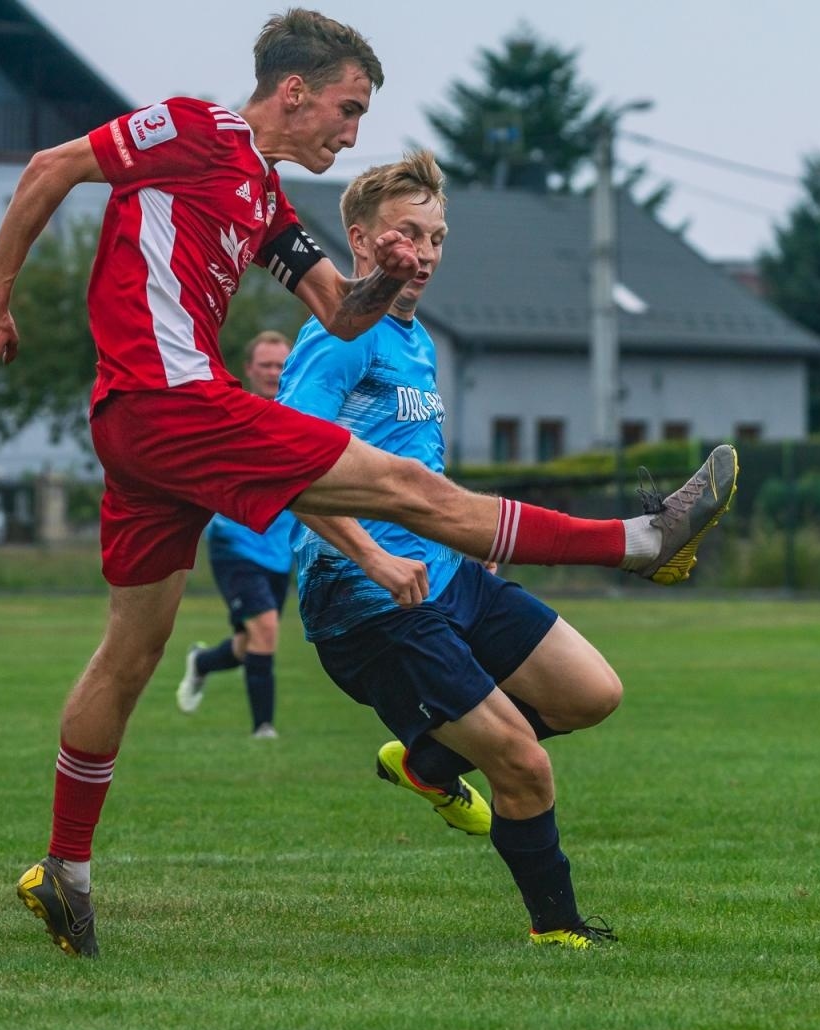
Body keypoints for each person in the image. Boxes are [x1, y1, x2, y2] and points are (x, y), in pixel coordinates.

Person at [0, 9, 736, 959]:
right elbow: (50, 167)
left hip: (139, 428)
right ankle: (641, 542)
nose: (352, 131)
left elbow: (339, 310)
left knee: (131, 652)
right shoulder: (198, 128)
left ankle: (67, 871)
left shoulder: (263, 197)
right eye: (349, 107)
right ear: (294, 91)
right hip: (172, 400)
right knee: (414, 489)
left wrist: (386, 272)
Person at [279, 150, 733, 948]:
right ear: (360, 239)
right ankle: (557, 930)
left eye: (436, 238)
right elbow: (287, 467)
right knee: (523, 763)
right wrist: (375, 558)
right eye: (407, 235)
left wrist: (469, 540)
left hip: (449, 574)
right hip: (371, 600)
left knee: (591, 692)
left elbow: (414, 472)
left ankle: (426, 761)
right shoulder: (339, 336)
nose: (424, 254)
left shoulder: (416, 341)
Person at [177, 331, 294, 739]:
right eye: (266, 365)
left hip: (279, 550)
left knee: (251, 642)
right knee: (266, 629)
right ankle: (264, 729)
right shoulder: (233, 415)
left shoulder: (302, 416)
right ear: (249, 369)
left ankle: (202, 662)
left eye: (281, 365)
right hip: (235, 544)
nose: (274, 372)